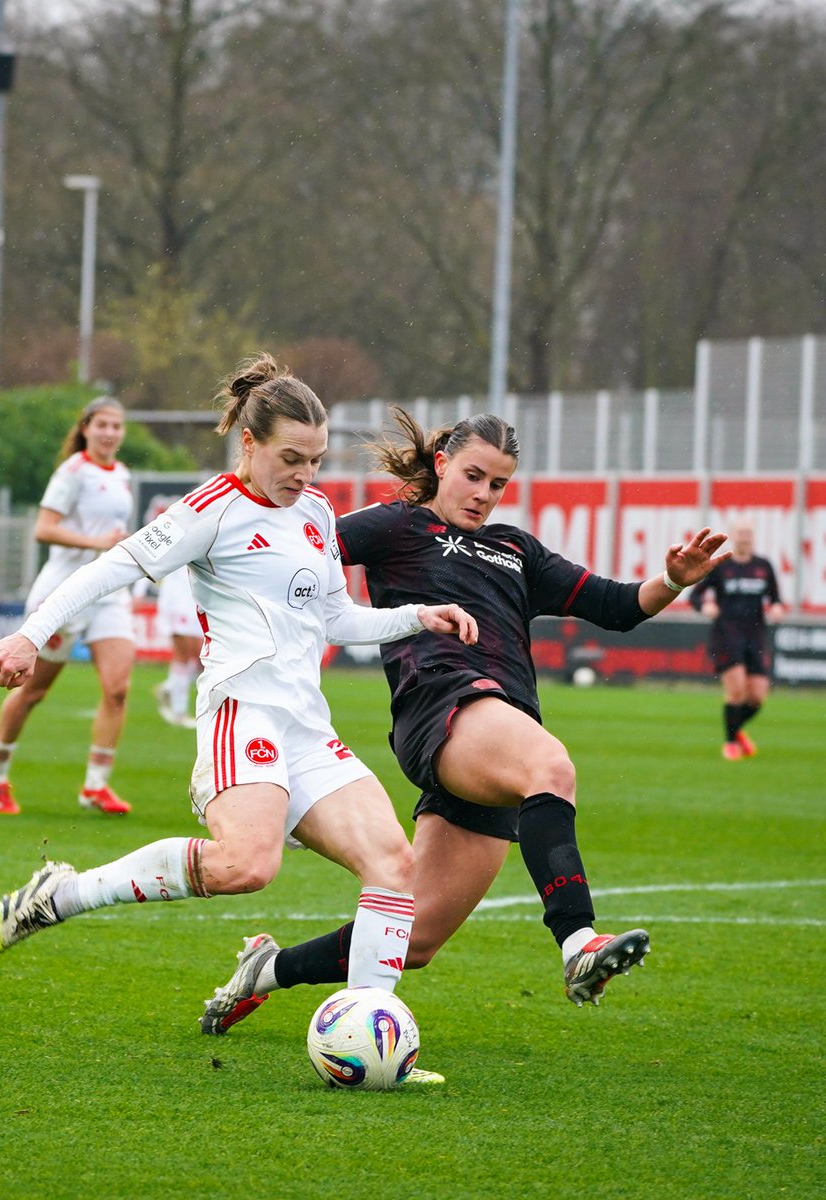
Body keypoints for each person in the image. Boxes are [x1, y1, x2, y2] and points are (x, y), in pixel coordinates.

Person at [0, 357, 477, 1079]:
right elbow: (109, 569)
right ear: (249, 443)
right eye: (290, 459)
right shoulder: (211, 509)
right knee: (248, 866)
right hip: (241, 716)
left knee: (394, 866)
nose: (305, 475)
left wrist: (414, 617)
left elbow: (335, 615)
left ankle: (373, 1043)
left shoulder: (313, 514)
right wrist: (29, 634)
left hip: (306, 724)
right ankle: (64, 893)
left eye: (316, 460)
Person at [199, 406, 731, 1043]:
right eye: (473, 475)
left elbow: (616, 607)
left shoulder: (516, 550)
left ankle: (266, 970)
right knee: (550, 767)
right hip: (441, 706)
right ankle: (579, 942)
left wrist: (672, 578)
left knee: (412, 936)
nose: (483, 494)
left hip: (496, 731)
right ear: (443, 462)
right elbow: (296, 555)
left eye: (498, 484)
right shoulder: (396, 526)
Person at [0, 396, 136, 816]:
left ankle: (95, 786)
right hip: (64, 593)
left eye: (116, 426)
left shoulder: (121, 473)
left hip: (109, 592)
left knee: (118, 690)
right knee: (33, 691)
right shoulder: (72, 472)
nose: (109, 433)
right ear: (85, 428)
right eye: (102, 424)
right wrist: (97, 543)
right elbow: (44, 530)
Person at [688, 518, 784, 760]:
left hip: (756, 635)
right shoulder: (722, 566)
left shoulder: (764, 566)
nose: (745, 537)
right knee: (737, 692)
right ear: (732, 535)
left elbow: (775, 598)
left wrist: (777, 608)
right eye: (741, 533)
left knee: (757, 696)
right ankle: (730, 743)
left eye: (748, 533)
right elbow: (695, 596)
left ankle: (736, 729)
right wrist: (705, 606)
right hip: (727, 635)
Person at [153, 566, 203, 728]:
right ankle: (178, 712)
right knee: (184, 652)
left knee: (202, 658)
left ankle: (169, 687)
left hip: (197, 597)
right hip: (178, 600)